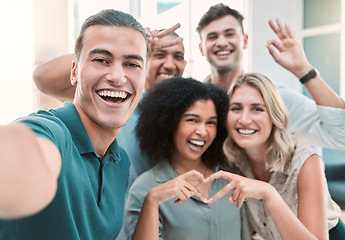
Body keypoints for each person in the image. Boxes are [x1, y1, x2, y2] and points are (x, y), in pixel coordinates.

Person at [0, 9, 149, 239]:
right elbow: (28, 162)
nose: (117, 76)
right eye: (101, 60)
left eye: (132, 64)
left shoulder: (119, 161)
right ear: (75, 72)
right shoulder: (51, 133)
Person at [33, 25, 187, 188]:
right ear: (143, 62)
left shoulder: (189, 110)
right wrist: (124, 46)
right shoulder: (115, 98)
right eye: (160, 55)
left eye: (178, 57)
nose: (170, 64)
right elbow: (43, 77)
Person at [205, 73, 345, 240]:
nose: (244, 119)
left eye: (257, 109)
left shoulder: (305, 161)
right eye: (236, 108)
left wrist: (268, 193)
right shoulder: (233, 162)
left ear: (273, 115)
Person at [197, 3, 345, 149]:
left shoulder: (275, 97)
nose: (222, 42)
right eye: (212, 37)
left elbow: (342, 135)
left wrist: (304, 70)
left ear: (245, 40)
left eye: (229, 34)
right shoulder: (193, 100)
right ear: (201, 48)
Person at [125, 77, 250, 239]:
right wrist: (153, 200)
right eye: (192, 120)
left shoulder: (231, 179)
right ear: (170, 122)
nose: (203, 131)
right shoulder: (145, 189)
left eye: (211, 123)